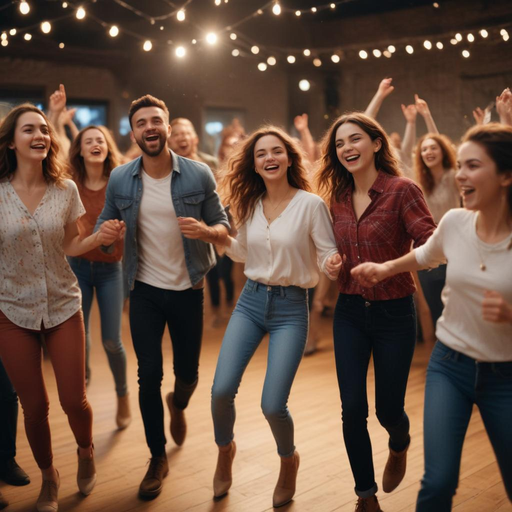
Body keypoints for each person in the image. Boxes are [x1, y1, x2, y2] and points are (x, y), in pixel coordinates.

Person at [351, 123, 512, 511]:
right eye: (461, 165)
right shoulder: (456, 221)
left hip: (505, 376)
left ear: (506, 175)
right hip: (449, 366)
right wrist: (385, 268)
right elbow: (426, 256)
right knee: (437, 484)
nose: (461, 175)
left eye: (473, 166)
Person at [95, 94, 229, 499]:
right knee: (147, 373)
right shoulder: (121, 178)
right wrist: (105, 239)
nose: (150, 128)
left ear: (168, 127)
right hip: (144, 290)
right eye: (141, 123)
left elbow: (222, 224)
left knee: (189, 373)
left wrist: (206, 232)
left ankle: (179, 400)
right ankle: (156, 457)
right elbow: (105, 226)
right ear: (133, 132)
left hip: (189, 288)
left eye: (156, 120)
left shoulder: (198, 174)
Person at [204, 126, 341, 507]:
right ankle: (225, 450)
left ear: (289, 158)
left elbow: (328, 256)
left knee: (271, 404)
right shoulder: (249, 204)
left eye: (277, 151)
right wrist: (216, 238)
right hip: (250, 302)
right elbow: (243, 254)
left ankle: (287, 460)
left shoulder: (310, 205)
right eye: (261, 153)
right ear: (254, 163)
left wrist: (334, 263)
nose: (269, 158)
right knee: (220, 391)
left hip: (291, 308)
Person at [0, 104, 124, 512]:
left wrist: (99, 237)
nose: (40, 135)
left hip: (63, 305)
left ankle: (85, 452)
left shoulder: (64, 189)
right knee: (34, 408)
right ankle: (49, 477)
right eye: (29, 129)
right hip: (11, 311)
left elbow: (71, 244)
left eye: (43, 129)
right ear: (11, 141)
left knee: (75, 400)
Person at [316, 113, 436, 512]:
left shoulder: (402, 191)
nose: (347, 148)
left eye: (355, 140)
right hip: (349, 311)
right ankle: (365, 497)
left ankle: (399, 443)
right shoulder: (334, 199)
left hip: (394, 313)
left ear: (377, 144)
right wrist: (330, 264)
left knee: (388, 409)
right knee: (352, 408)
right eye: (339, 144)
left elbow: (432, 247)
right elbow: (327, 252)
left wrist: (389, 267)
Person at [67, 125, 131, 428]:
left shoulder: (119, 182)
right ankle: (84, 382)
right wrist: (56, 116)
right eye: (88, 140)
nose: (95, 144)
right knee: (81, 337)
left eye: (100, 140)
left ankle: (122, 395)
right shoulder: (71, 182)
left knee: (111, 340)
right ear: (80, 150)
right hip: (76, 267)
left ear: (107, 148)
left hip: (110, 269)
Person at [414, 133, 459, 329]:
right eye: (424, 149)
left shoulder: (453, 176)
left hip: (456, 244)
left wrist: (427, 117)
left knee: (457, 299)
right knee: (434, 300)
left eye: (433, 147)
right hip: (431, 245)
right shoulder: (420, 182)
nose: (428, 152)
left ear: (443, 151)